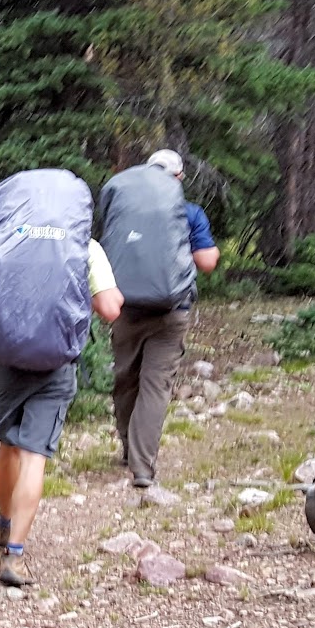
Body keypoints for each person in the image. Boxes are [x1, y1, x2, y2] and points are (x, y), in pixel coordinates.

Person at [0, 170, 123, 588]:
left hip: (7, 361)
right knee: (35, 456)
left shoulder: (11, 237)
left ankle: (3, 522)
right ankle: (14, 556)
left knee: (8, 446)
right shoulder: (85, 246)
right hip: (55, 363)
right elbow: (110, 308)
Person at [100, 149, 219, 489]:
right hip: (171, 309)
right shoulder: (189, 212)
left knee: (126, 379)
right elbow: (207, 262)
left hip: (125, 307)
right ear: (177, 178)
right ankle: (142, 468)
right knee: (155, 386)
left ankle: (127, 448)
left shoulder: (123, 211)